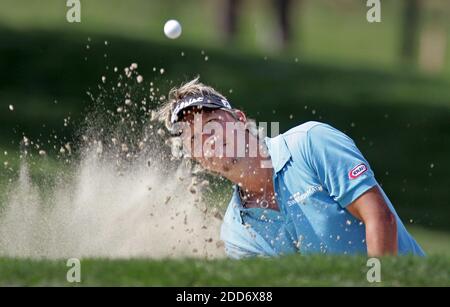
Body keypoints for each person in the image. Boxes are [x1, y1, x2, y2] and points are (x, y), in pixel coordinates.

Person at [158, 77, 425, 259]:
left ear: (240, 119)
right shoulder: (237, 234)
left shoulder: (312, 143)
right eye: (194, 139)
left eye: (212, 123)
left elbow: (379, 217)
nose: (209, 140)